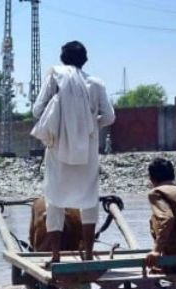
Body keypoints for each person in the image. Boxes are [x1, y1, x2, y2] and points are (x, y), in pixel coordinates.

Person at [31, 40, 115, 264]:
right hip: (87, 151)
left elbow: (37, 109)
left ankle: (56, 255)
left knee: (54, 201)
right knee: (89, 200)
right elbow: (109, 117)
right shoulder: (96, 83)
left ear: (63, 59)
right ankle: (88, 254)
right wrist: (88, 125)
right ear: (85, 60)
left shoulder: (55, 77)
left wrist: (60, 120)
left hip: (58, 150)